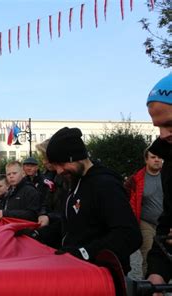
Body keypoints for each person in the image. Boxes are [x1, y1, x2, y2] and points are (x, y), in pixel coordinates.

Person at [21, 127, 142, 274]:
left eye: (62, 164)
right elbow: (70, 224)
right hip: (78, 270)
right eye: (55, 166)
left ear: (76, 157)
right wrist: (37, 235)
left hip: (102, 275)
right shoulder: (73, 181)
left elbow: (129, 235)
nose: (58, 171)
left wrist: (84, 252)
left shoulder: (105, 184)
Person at [144, 73, 172, 287]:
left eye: (170, 125)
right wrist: (157, 274)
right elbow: (167, 224)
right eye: (158, 127)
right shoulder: (169, 161)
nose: (163, 135)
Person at [124, 147, 163, 277]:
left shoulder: (168, 175)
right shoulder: (136, 179)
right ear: (146, 159)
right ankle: (150, 288)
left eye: (159, 157)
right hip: (145, 223)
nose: (157, 160)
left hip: (165, 224)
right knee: (149, 256)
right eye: (153, 157)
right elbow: (125, 199)